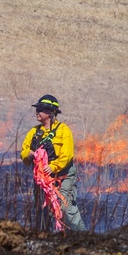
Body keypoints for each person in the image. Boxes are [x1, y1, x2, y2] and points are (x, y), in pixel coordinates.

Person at [21, 94, 87, 232]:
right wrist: (27, 154)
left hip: (63, 177)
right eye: (37, 109)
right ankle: (44, 239)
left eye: (41, 109)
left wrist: (53, 166)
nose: (37, 112)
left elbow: (67, 155)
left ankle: (85, 238)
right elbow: (24, 150)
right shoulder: (34, 132)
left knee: (65, 207)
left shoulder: (63, 131)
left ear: (51, 113)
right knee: (42, 209)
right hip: (42, 179)